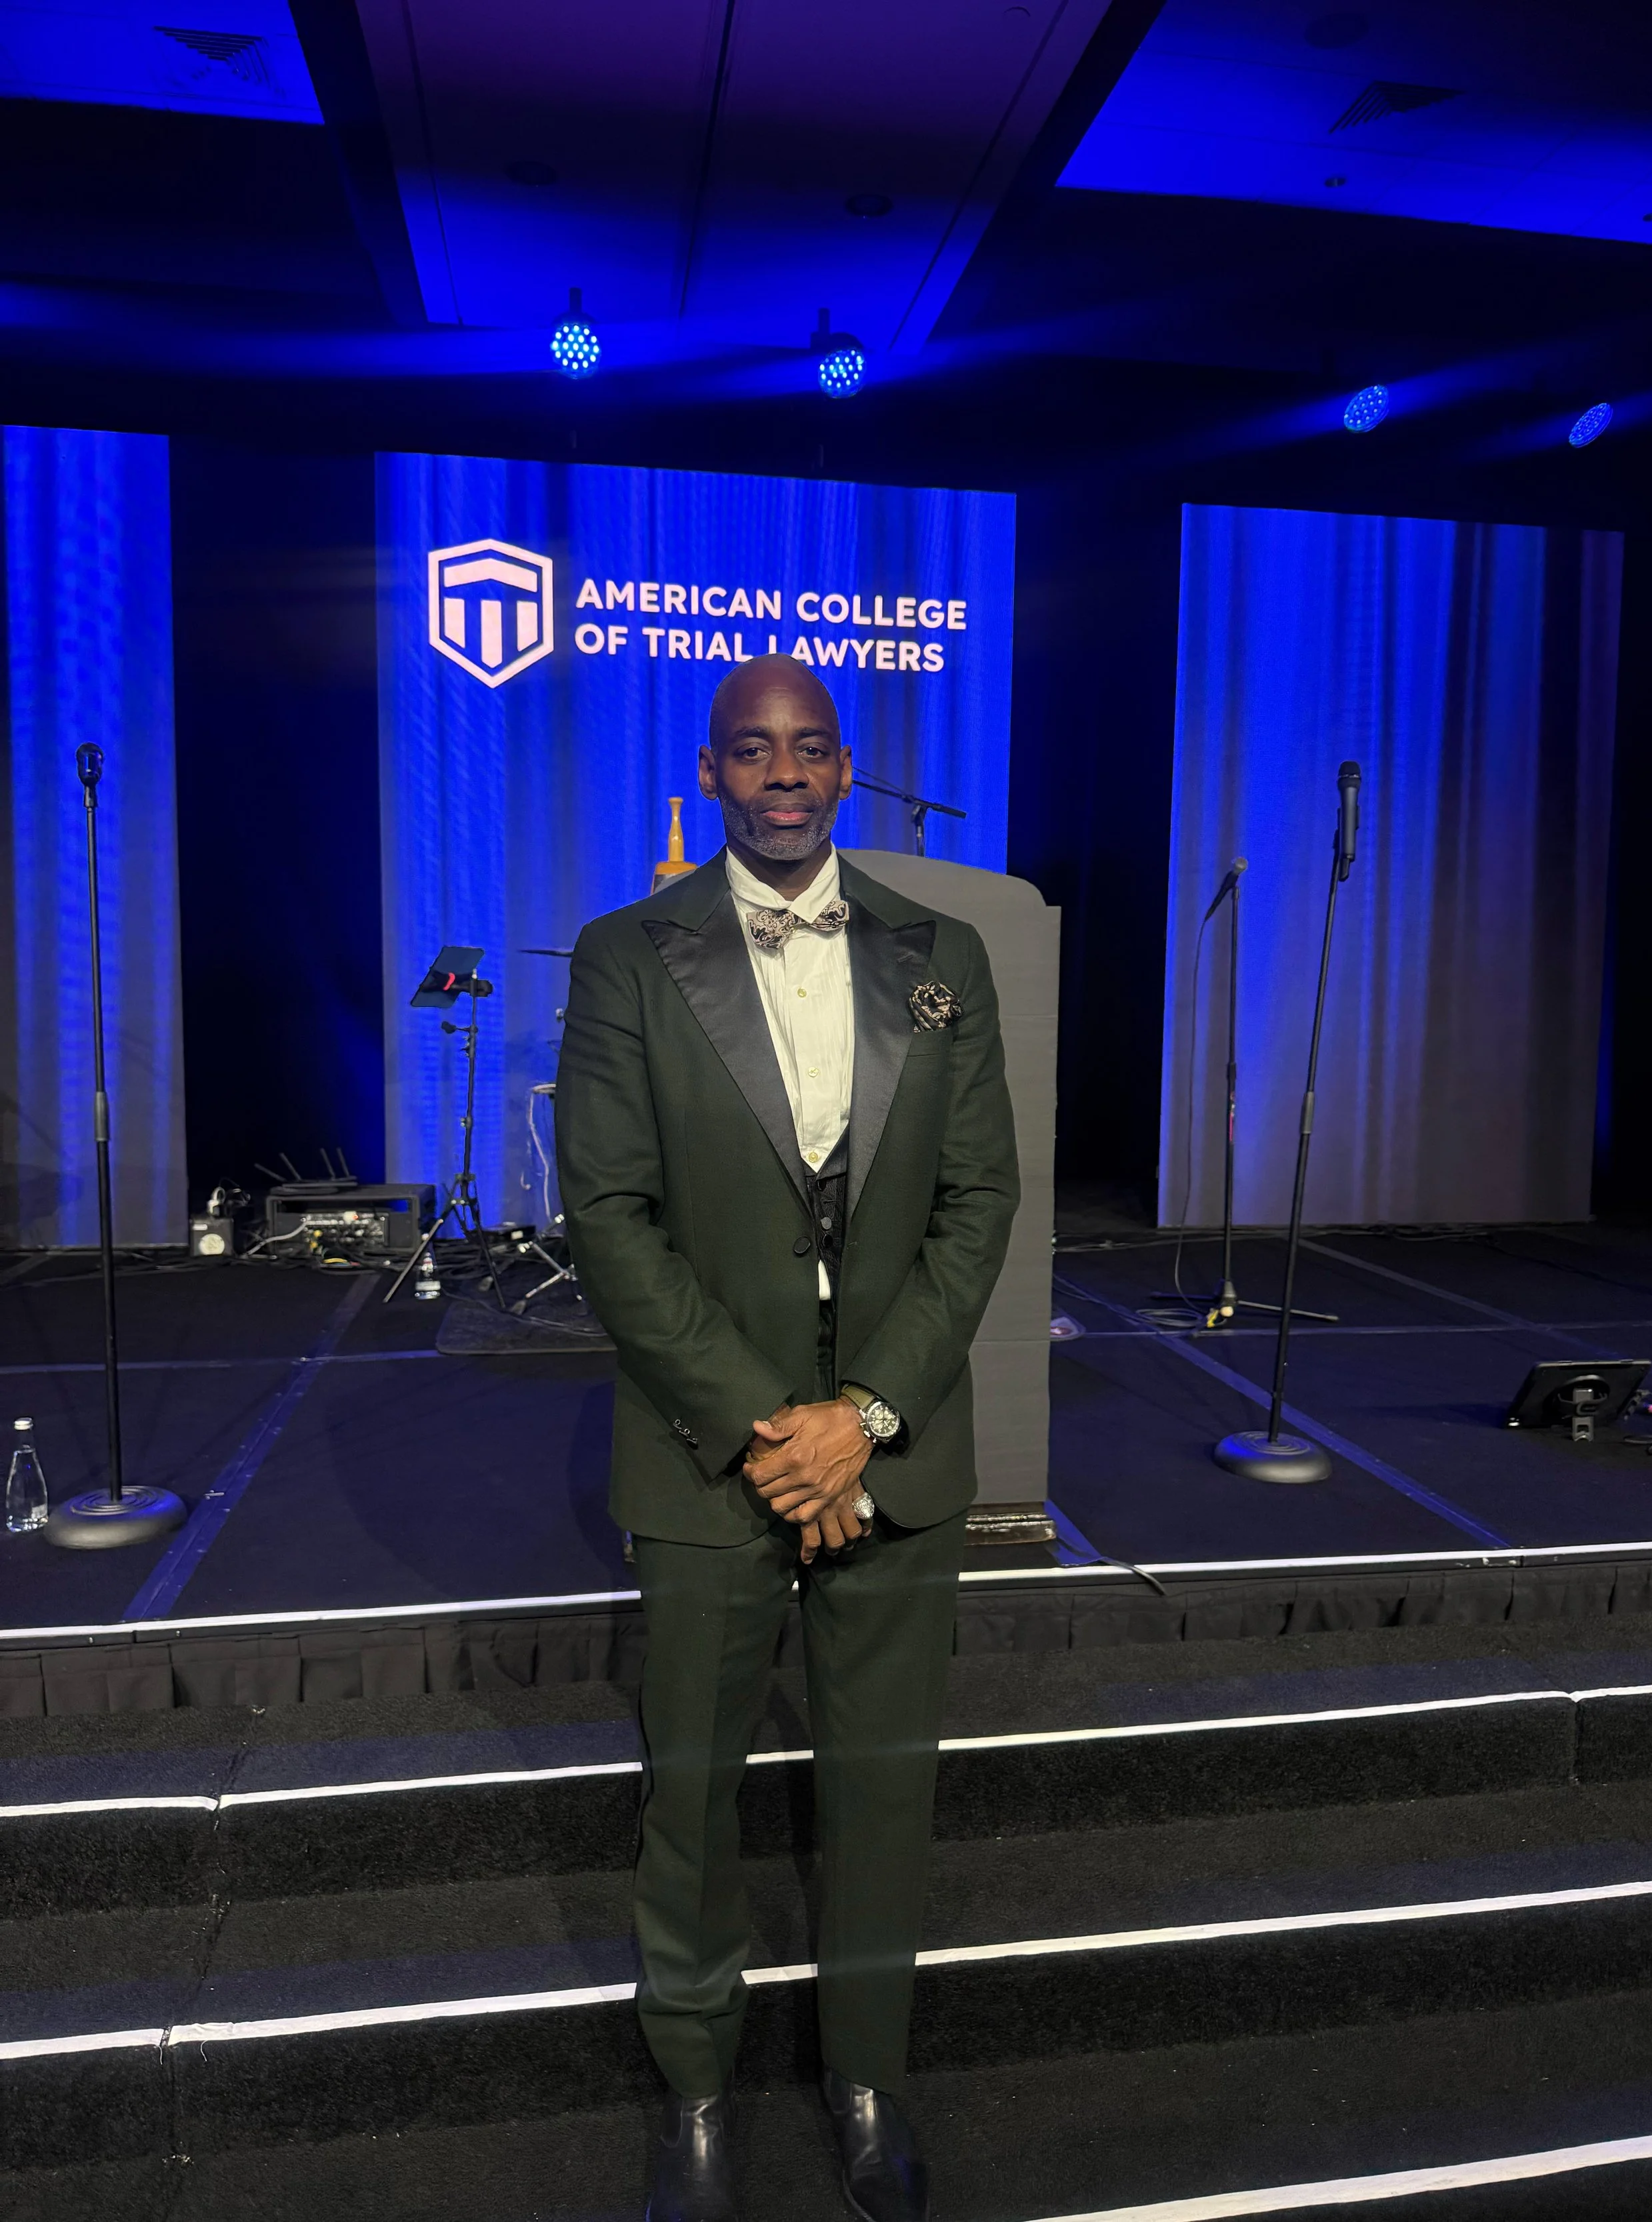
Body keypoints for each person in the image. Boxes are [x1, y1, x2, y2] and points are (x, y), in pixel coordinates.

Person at [556, 655, 1019, 2222]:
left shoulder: (944, 953)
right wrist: (780, 1434)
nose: (780, 774)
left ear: (843, 767)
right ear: (710, 770)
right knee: (688, 1801)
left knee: (881, 1794)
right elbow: (608, 1216)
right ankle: (695, 2091)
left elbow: (979, 1203)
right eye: (750, 750)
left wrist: (862, 1416)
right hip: (710, 1455)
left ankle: (867, 2079)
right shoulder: (625, 956)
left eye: (807, 747)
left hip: (896, 1451)